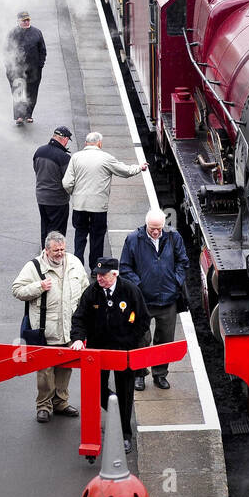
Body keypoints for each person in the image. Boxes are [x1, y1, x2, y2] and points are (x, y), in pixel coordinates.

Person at [71, 257, 149, 452]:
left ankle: (124, 434)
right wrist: (78, 339)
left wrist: (132, 343)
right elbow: (79, 318)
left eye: (103, 275)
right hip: (98, 351)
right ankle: (115, 408)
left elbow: (143, 320)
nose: (99, 278)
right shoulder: (92, 292)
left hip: (124, 352)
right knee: (96, 388)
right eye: (97, 275)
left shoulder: (130, 291)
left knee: (125, 391)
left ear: (114, 274)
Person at [12, 231, 89, 422]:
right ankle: (44, 405)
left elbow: (86, 289)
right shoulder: (34, 266)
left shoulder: (74, 263)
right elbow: (16, 290)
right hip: (45, 330)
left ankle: (60, 403)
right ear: (46, 250)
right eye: (56, 250)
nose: (60, 253)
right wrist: (38, 286)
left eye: (63, 249)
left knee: (65, 368)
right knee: (45, 371)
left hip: (69, 329)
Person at [121, 208, 188, 392]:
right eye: (152, 229)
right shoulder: (133, 239)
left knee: (165, 340)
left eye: (159, 228)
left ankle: (160, 374)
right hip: (143, 301)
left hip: (168, 299)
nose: (156, 232)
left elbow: (183, 261)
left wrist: (176, 281)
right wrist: (139, 285)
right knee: (141, 339)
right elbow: (125, 267)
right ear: (146, 225)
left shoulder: (174, 237)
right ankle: (139, 375)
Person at [62, 132, 148, 268]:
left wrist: (76, 194)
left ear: (86, 143)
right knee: (97, 238)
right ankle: (96, 268)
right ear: (99, 143)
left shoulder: (76, 158)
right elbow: (125, 171)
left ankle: (76, 267)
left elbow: (67, 183)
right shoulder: (105, 158)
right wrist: (140, 167)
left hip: (79, 206)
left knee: (80, 236)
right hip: (98, 207)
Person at [5, 10, 47, 125]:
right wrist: (9, 67)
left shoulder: (37, 32)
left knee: (32, 92)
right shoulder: (12, 33)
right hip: (16, 69)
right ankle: (19, 115)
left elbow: (42, 50)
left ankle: (28, 114)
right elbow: (7, 51)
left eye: (28, 19)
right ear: (18, 21)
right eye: (24, 20)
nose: (26, 22)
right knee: (18, 91)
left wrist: (40, 65)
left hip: (34, 70)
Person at [34, 126, 74, 244]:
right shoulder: (63, 157)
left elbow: (36, 170)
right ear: (64, 138)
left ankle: (45, 254)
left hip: (41, 197)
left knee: (45, 228)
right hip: (58, 200)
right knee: (57, 232)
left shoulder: (39, 151)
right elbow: (68, 180)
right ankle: (55, 257)